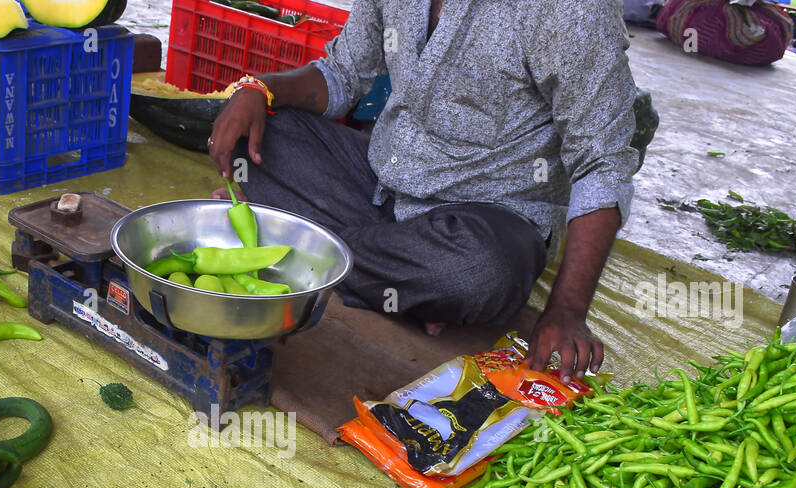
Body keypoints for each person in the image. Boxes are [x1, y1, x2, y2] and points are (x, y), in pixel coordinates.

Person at [208, 0, 642, 381]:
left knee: (477, 272)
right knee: (261, 138)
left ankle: (297, 243)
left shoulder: (570, 9)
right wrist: (259, 88)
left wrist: (567, 311)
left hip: (484, 219)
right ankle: (394, 282)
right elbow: (342, 74)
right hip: (380, 185)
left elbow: (602, 162)